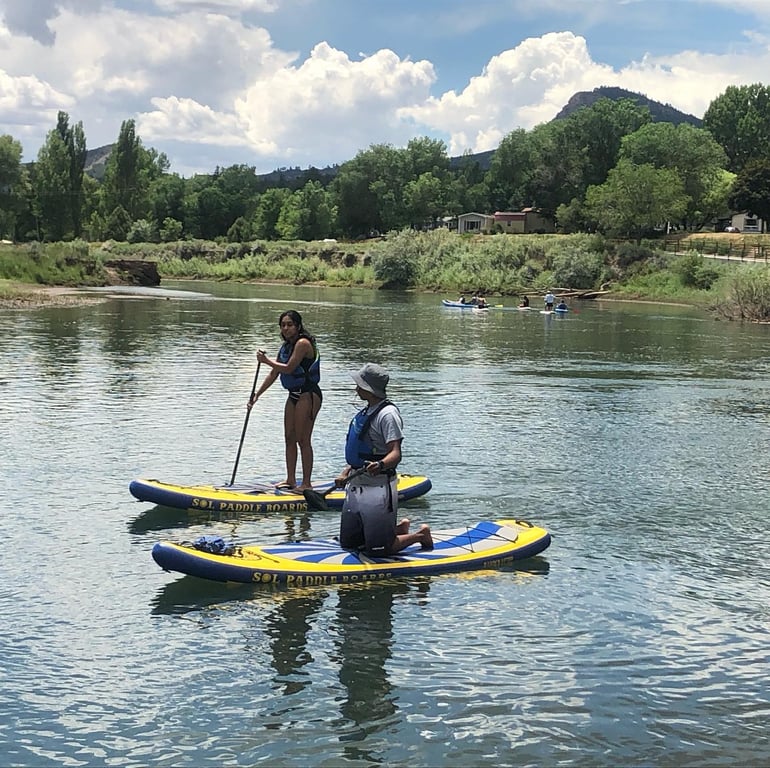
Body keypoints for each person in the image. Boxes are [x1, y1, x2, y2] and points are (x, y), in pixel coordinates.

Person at [336, 363, 432, 556]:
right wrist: (345, 472)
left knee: (379, 551)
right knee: (350, 543)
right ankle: (396, 530)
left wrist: (381, 464)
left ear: (370, 389)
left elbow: (396, 453)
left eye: (360, 384)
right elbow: (359, 452)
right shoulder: (365, 412)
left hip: (378, 488)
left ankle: (421, 535)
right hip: (355, 486)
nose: (356, 387)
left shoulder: (388, 415)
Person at [249, 310, 322, 491]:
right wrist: (257, 395)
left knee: (303, 440)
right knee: (289, 438)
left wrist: (265, 360)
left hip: (308, 394)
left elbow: (289, 368)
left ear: (298, 326)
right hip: (293, 394)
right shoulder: (285, 347)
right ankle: (290, 479)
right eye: (283, 325)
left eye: (290, 324)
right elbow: (275, 372)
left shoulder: (303, 344)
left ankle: (306, 484)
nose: (286, 328)